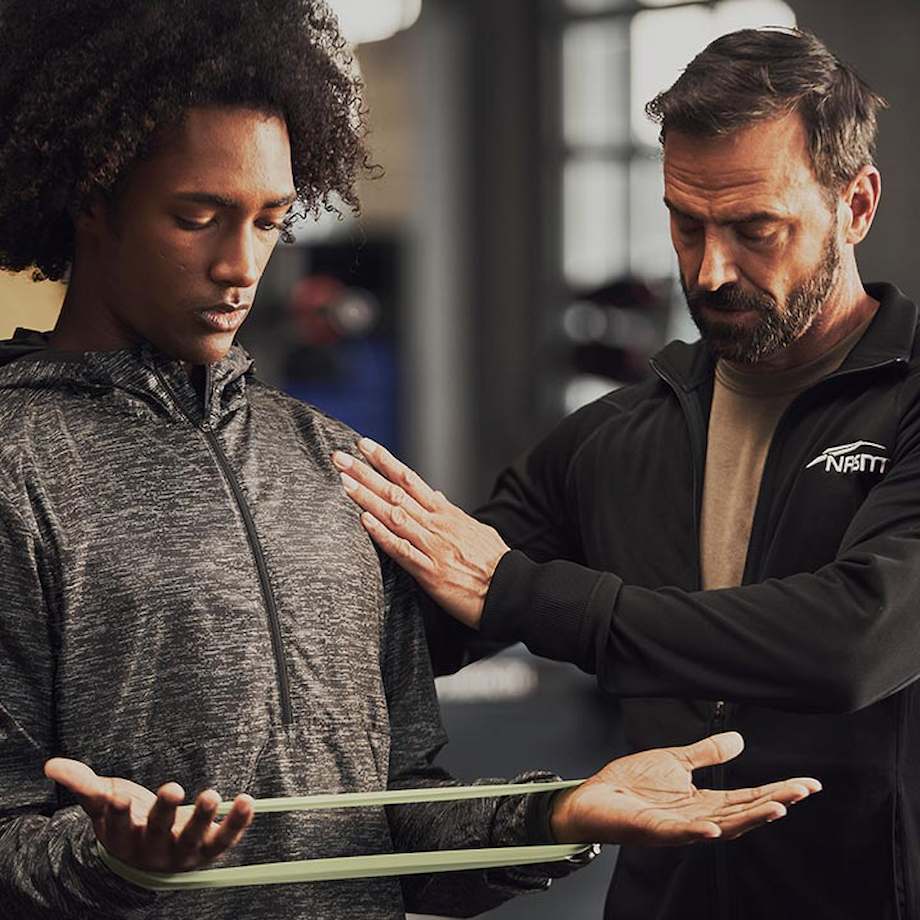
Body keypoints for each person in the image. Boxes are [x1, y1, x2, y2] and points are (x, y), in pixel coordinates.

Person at [0, 4, 820, 920]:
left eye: (271, 220)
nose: (241, 264)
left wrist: (555, 815)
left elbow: (394, 822)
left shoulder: (331, 462)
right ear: (90, 198)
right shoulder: (18, 467)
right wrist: (112, 860)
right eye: (198, 216)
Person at [335, 27, 918, 920]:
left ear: (858, 205)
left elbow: (854, 643)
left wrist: (532, 597)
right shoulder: (616, 438)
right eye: (687, 225)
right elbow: (420, 623)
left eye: (756, 229)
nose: (712, 270)